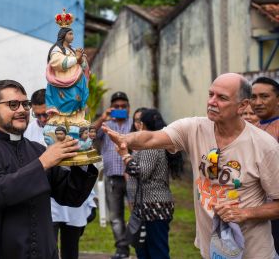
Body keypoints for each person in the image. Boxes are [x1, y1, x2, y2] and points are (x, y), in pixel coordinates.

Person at [103, 73, 279, 259]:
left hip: (254, 253)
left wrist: (244, 213)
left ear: (242, 105)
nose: (212, 102)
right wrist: (125, 139)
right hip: (212, 252)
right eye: (211, 94)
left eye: (222, 98)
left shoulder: (265, 146)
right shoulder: (193, 128)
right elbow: (151, 137)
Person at [0, 80, 98, 258]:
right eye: (13, 104)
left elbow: (71, 196)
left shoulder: (37, 150)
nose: (21, 110)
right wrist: (42, 163)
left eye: (25, 104)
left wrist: (82, 157)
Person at [24, 89, 97, 259]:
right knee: (47, 246)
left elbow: (84, 159)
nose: (42, 120)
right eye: (37, 115)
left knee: (71, 246)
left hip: (70, 191)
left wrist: (90, 196)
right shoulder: (27, 131)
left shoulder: (71, 128)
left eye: (45, 115)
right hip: (46, 197)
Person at [120, 108, 183, 259]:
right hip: (147, 206)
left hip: (154, 207)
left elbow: (142, 173)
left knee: (156, 252)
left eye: (139, 123)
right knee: (144, 250)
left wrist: (125, 156)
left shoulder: (152, 146)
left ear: (143, 125)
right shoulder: (149, 144)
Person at [44, 9, 91, 150]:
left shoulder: (72, 50)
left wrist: (82, 60)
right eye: (70, 33)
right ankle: (62, 121)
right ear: (64, 35)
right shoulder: (56, 50)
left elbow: (82, 65)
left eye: (72, 33)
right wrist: (75, 59)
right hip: (62, 84)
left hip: (75, 82)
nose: (72, 36)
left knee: (77, 100)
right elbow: (57, 63)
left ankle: (75, 120)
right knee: (70, 100)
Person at [93, 91, 132, 259]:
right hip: (112, 177)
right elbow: (89, 133)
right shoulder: (105, 125)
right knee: (116, 217)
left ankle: (140, 245)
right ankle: (122, 249)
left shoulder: (135, 124)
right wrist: (103, 117)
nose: (120, 109)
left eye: (123, 106)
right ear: (111, 108)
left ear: (129, 108)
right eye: (116, 106)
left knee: (138, 214)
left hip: (133, 176)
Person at [250, 76, 279, 253]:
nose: (258, 102)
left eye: (264, 96)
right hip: (257, 209)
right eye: (253, 97)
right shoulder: (252, 129)